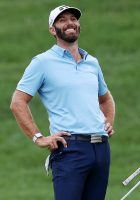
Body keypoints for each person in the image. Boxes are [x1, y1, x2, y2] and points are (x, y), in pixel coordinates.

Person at [10, 5, 115, 200]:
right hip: (70, 149)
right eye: (62, 20)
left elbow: (106, 98)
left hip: (101, 149)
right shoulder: (42, 62)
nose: (70, 23)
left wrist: (108, 119)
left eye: (73, 18)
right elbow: (18, 102)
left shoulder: (92, 62)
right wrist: (39, 138)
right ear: (53, 29)